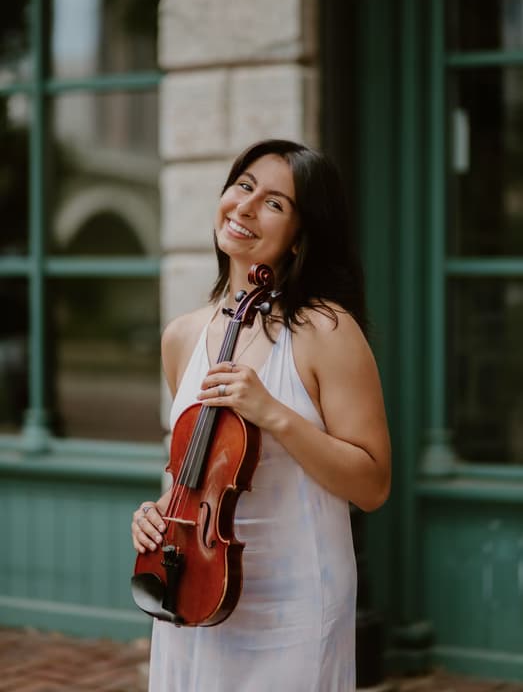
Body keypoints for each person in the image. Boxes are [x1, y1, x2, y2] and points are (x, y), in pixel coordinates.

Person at [131, 139, 391, 692]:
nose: (245, 208)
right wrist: (157, 514)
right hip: (192, 586)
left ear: (300, 238)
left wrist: (274, 414)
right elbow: (196, 474)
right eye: (243, 186)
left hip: (293, 602)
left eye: (274, 203)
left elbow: (372, 485)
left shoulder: (325, 330)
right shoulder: (183, 336)